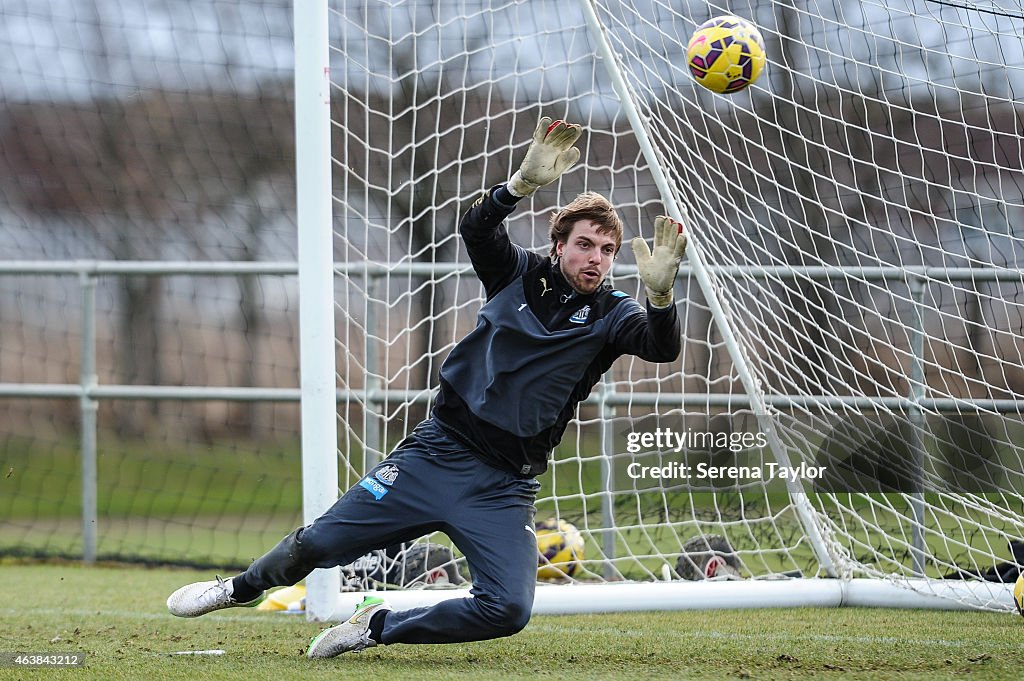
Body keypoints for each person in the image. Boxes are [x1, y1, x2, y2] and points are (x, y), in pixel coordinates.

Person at [166, 114, 689, 659]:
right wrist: (517, 188)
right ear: (559, 244)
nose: (596, 259)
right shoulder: (516, 273)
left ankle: (377, 626)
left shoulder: (612, 313)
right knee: (320, 542)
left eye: (607, 250)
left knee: (508, 609)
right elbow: (477, 230)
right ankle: (236, 589)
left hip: (503, 487)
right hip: (435, 455)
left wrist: (660, 299)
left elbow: (662, 347)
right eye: (585, 244)